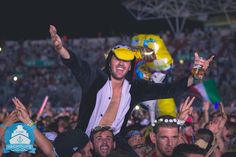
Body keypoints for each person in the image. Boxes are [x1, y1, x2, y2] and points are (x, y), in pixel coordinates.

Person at [49, 25, 213, 136]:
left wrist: (197, 73)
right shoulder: (95, 80)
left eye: (126, 61)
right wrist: (60, 48)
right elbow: (76, 64)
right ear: (109, 62)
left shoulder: (135, 88)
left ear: (130, 66)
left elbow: (170, 89)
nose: (121, 64)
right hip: (84, 143)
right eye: (117, 59)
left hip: (115, 145)